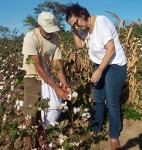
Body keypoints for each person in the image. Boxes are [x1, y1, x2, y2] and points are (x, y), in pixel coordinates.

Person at [61, 3, 127, 150]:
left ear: (83, 15)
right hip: (101, 65)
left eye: (76, 23)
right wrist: (74, 29)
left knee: (111, 101)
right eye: (73, 25)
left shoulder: (101, 22)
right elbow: (79, 46)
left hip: (115, 65)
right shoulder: (84, 29)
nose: (76, 27)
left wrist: (99, 71)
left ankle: (114, 135)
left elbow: (111, 49)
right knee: (98, 99)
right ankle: (96, 128)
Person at [22, 11, 71, 149]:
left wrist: (64, 85)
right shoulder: (31, 38)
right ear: (39, 26)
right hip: (32, 76)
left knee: (47, 112)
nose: (50, 33)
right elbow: (37, 67)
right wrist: (56, 88)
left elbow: (56, 64)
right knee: (30, 115)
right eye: (47, 29)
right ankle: (29, 146)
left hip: (47, 77)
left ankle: (42, 141)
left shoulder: (55, 38)